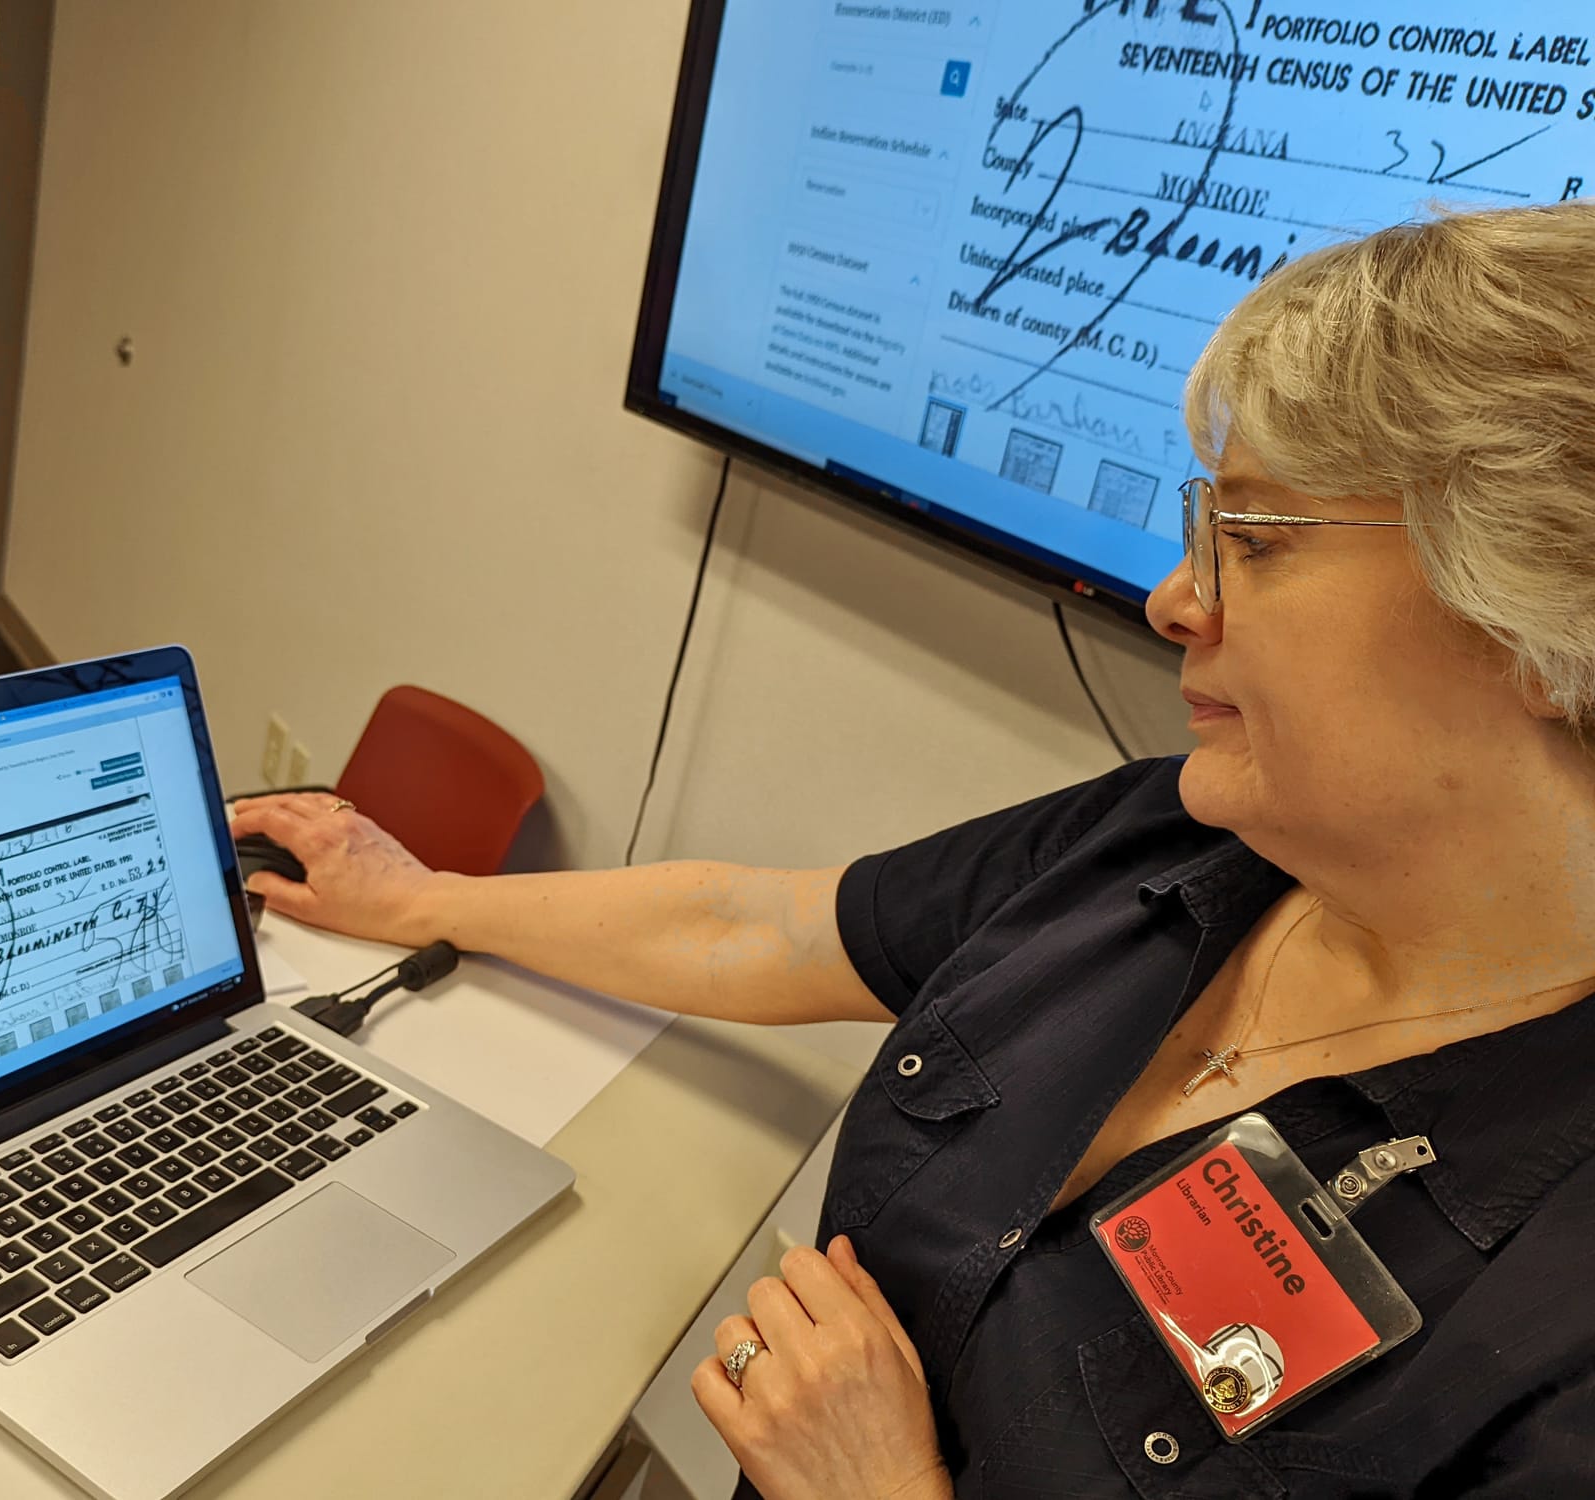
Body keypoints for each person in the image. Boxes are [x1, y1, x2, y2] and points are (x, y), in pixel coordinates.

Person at [231, 201, 1595, 1498]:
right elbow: (762, 926)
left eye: (1256, 537)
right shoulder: (1165, 832)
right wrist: (426, 900)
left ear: (1544, 627)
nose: (1177, 600)